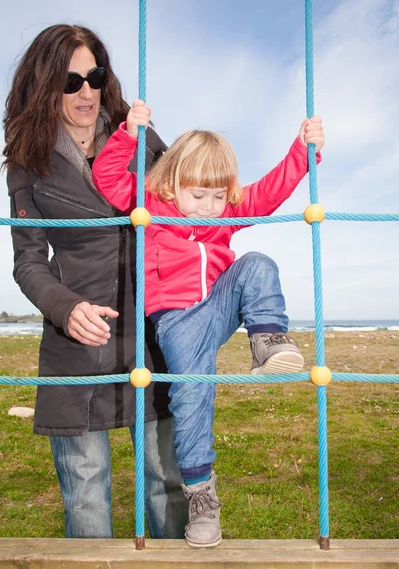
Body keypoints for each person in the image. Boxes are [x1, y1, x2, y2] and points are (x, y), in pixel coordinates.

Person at [92, 100, 325, 548]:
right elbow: (107, 179)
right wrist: (126, 134)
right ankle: (201, 497)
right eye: (199, 195)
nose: (209, 207)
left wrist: (302, 149)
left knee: (256, 263)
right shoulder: (152, 206)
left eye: (219, 197)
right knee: (195, 392)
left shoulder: (223, 217)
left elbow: (266, 194)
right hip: (176, 321)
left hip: (216, 310)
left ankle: (267, 340)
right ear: (173, 184)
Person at [2, 25, 188, 539]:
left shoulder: (140, 135)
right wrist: (66, 308)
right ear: (44, 86)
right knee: (85, 493)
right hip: (75, 340)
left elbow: (191, 189)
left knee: (165, 481)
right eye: (70, 81)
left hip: (150, 327)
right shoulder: (26, 160)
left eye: (95, 76)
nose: (86, 91)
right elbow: (29, 262)